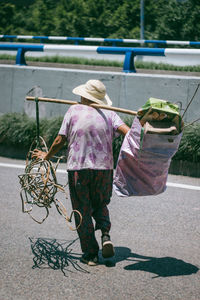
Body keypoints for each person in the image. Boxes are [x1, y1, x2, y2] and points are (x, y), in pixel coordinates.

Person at [32, 79, 130, 266]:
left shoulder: (73, 111)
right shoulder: (110, 113)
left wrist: (47, 156)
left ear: (84, 95)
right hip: (104, 169)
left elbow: (60, 140)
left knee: (82, 210)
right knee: (100, 203)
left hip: (79, 168)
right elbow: (127, 132)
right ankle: (105, 233)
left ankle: (91, 254)